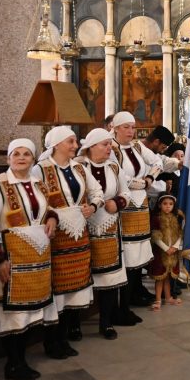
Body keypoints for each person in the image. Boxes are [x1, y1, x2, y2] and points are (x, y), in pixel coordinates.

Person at [0, 138, 58, 380]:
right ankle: (13, 363)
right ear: (8, 158)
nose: (21, 158)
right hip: (12, 255)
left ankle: (21, 360)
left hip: (37, 256)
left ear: (33, 159)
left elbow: (46, 209)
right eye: (15, 154)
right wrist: (0, 259)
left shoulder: (38, 183)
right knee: (13, 312)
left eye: (26, 154)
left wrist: (52, 218)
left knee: (30, 310)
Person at [33, 126, 102, 359]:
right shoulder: (40, 169)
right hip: (56, 235)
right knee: (57, 287)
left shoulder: (79, 168)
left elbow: (97, 191)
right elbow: (36, 201)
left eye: (75, 141)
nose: (75, 145)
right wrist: (52, 215)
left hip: (79, 234)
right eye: (70, 141)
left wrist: (93, 206)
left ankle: (64, 336)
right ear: (56, 144)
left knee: (74, 285)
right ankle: (51, 340)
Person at [76, 129, 131, 338]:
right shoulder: (78, 166)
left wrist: (117, 203)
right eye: (105, 144)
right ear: (91, 146)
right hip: (84, 226)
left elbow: (125, 192)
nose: (110, 148)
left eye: (110, 144)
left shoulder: (114, 167)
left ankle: (106, 322)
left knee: (109, 276)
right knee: (81, 273)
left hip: (109, 225)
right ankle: (74, 324)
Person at [109, 112, 159, 312]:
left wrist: (149, 179)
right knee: (128, 251)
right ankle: (125, 300)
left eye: (133, 127)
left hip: (141, 203)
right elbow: (120, 176)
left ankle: (136, 291)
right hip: (125, 203)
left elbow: (157, 162)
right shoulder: (111, 148)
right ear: (115, 128)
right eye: (126, 127)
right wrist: (142, 184)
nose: (131, 131)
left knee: (140, 250)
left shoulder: (137, 146)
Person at [149, 194, 183, 310]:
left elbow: (180, 234)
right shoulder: (156, 218)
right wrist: (165, 248)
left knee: (168, 277)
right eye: (165, 204)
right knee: (160, 278)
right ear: (159, 205)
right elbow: (155, 236)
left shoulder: (176, 218)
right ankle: (158, 299)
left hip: (173, 252)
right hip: (161, 253)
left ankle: (168, 297)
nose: (168, 206)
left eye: (171, 204)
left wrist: (175, 247)